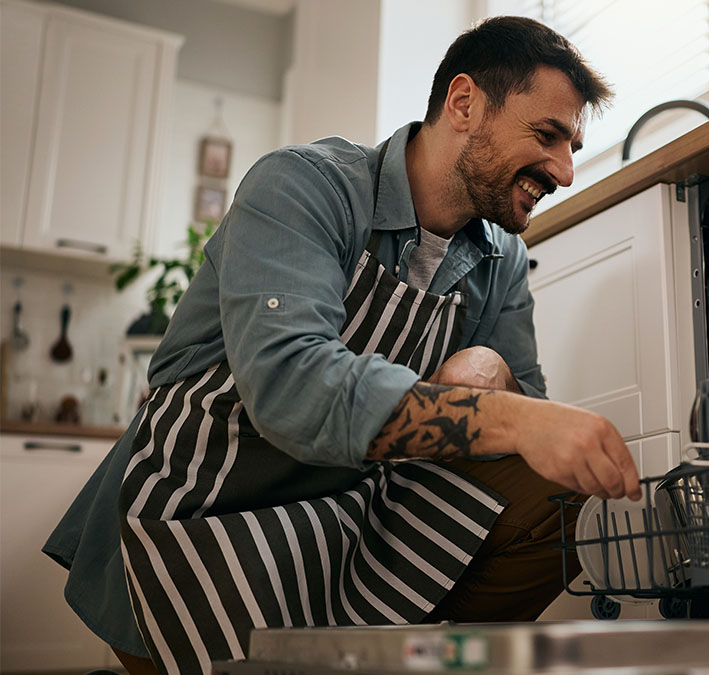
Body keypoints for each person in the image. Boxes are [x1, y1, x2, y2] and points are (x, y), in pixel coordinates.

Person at [43, 16, 639, 675]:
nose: (565, 170)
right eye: (548, 136)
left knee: (554, 495)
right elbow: (289, 385)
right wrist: (512, 415)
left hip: (346, 523)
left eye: (574, 146)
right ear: (464, 103)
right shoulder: (302, 184)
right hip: (197, 521)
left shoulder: (501, 260)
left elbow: (521, 446)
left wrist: (495, 376)